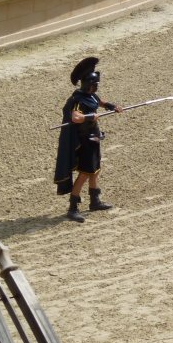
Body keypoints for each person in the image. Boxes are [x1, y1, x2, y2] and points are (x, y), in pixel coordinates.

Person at [54, 57, 122, 222]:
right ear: (87, 84)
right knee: (84, 173)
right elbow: (76, 117)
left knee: (95, 170)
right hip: (83, 141)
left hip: (94, 138)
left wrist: (112, 106)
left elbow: (100, 102)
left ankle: (94, 201)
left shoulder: (91, 96)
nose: (95, 87)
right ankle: (73, 207)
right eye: (93, 85)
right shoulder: (77, 100)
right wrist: (92, 116)